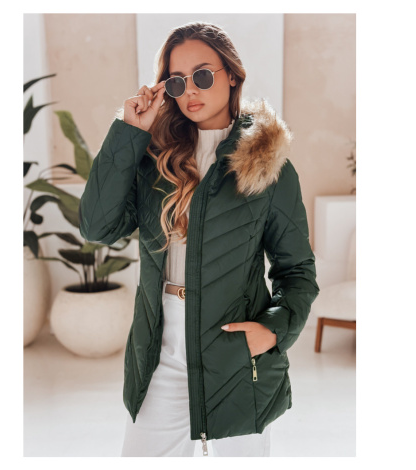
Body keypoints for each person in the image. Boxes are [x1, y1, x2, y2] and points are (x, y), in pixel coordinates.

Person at [79, 21, 319, 457]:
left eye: (203, 75)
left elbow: (297, 269)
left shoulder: (267, 164)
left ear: (232, 75)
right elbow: (96, 227)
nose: (190, 89)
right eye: (176, 81)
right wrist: (129, 132)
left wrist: (273, 330)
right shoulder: (155, 158)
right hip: (159, 348)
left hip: (234, 353)